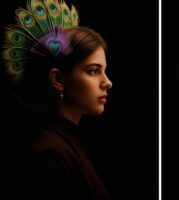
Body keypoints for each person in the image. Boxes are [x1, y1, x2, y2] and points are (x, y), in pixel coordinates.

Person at [1, 0, 112, 199]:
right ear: (58, 79)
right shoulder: (52, 153)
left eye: (104, 71)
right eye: (93, 71)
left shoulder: (68, 144)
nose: (107, 83)